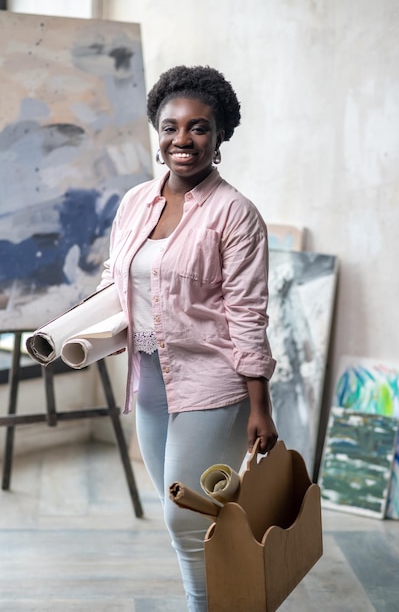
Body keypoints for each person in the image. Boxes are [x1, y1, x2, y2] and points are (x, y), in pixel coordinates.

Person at [98, 64, 278, 612]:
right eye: (171, 126)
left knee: (187, 515)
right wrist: (72, 334)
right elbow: (115, 282)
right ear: (157, 134)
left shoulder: (236, 216)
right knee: (184, 520)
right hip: (150, 382)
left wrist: (260, 407)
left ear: (219, 137)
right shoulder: (134, 203)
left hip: (213, 385)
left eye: (199, 127)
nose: (183, 139)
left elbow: (247, 314)